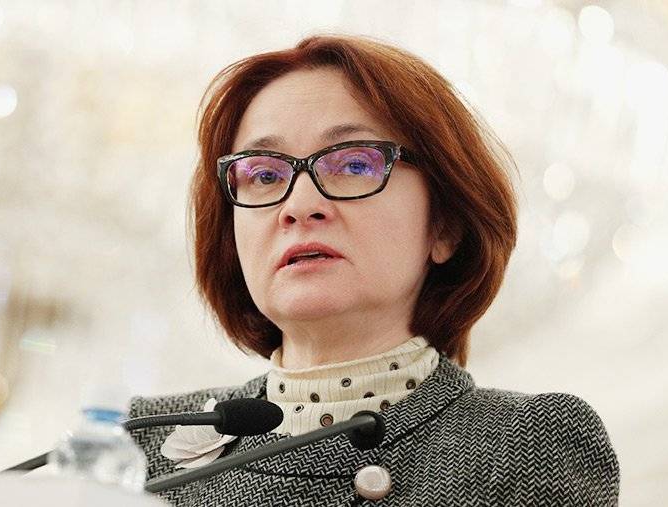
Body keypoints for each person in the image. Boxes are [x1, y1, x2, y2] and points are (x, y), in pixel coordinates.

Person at [129, 34, 620, 505]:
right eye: (264, 174)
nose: (298, 206)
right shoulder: (140, 441)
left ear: (444, 227)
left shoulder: (524, 442)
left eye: (355, 165)